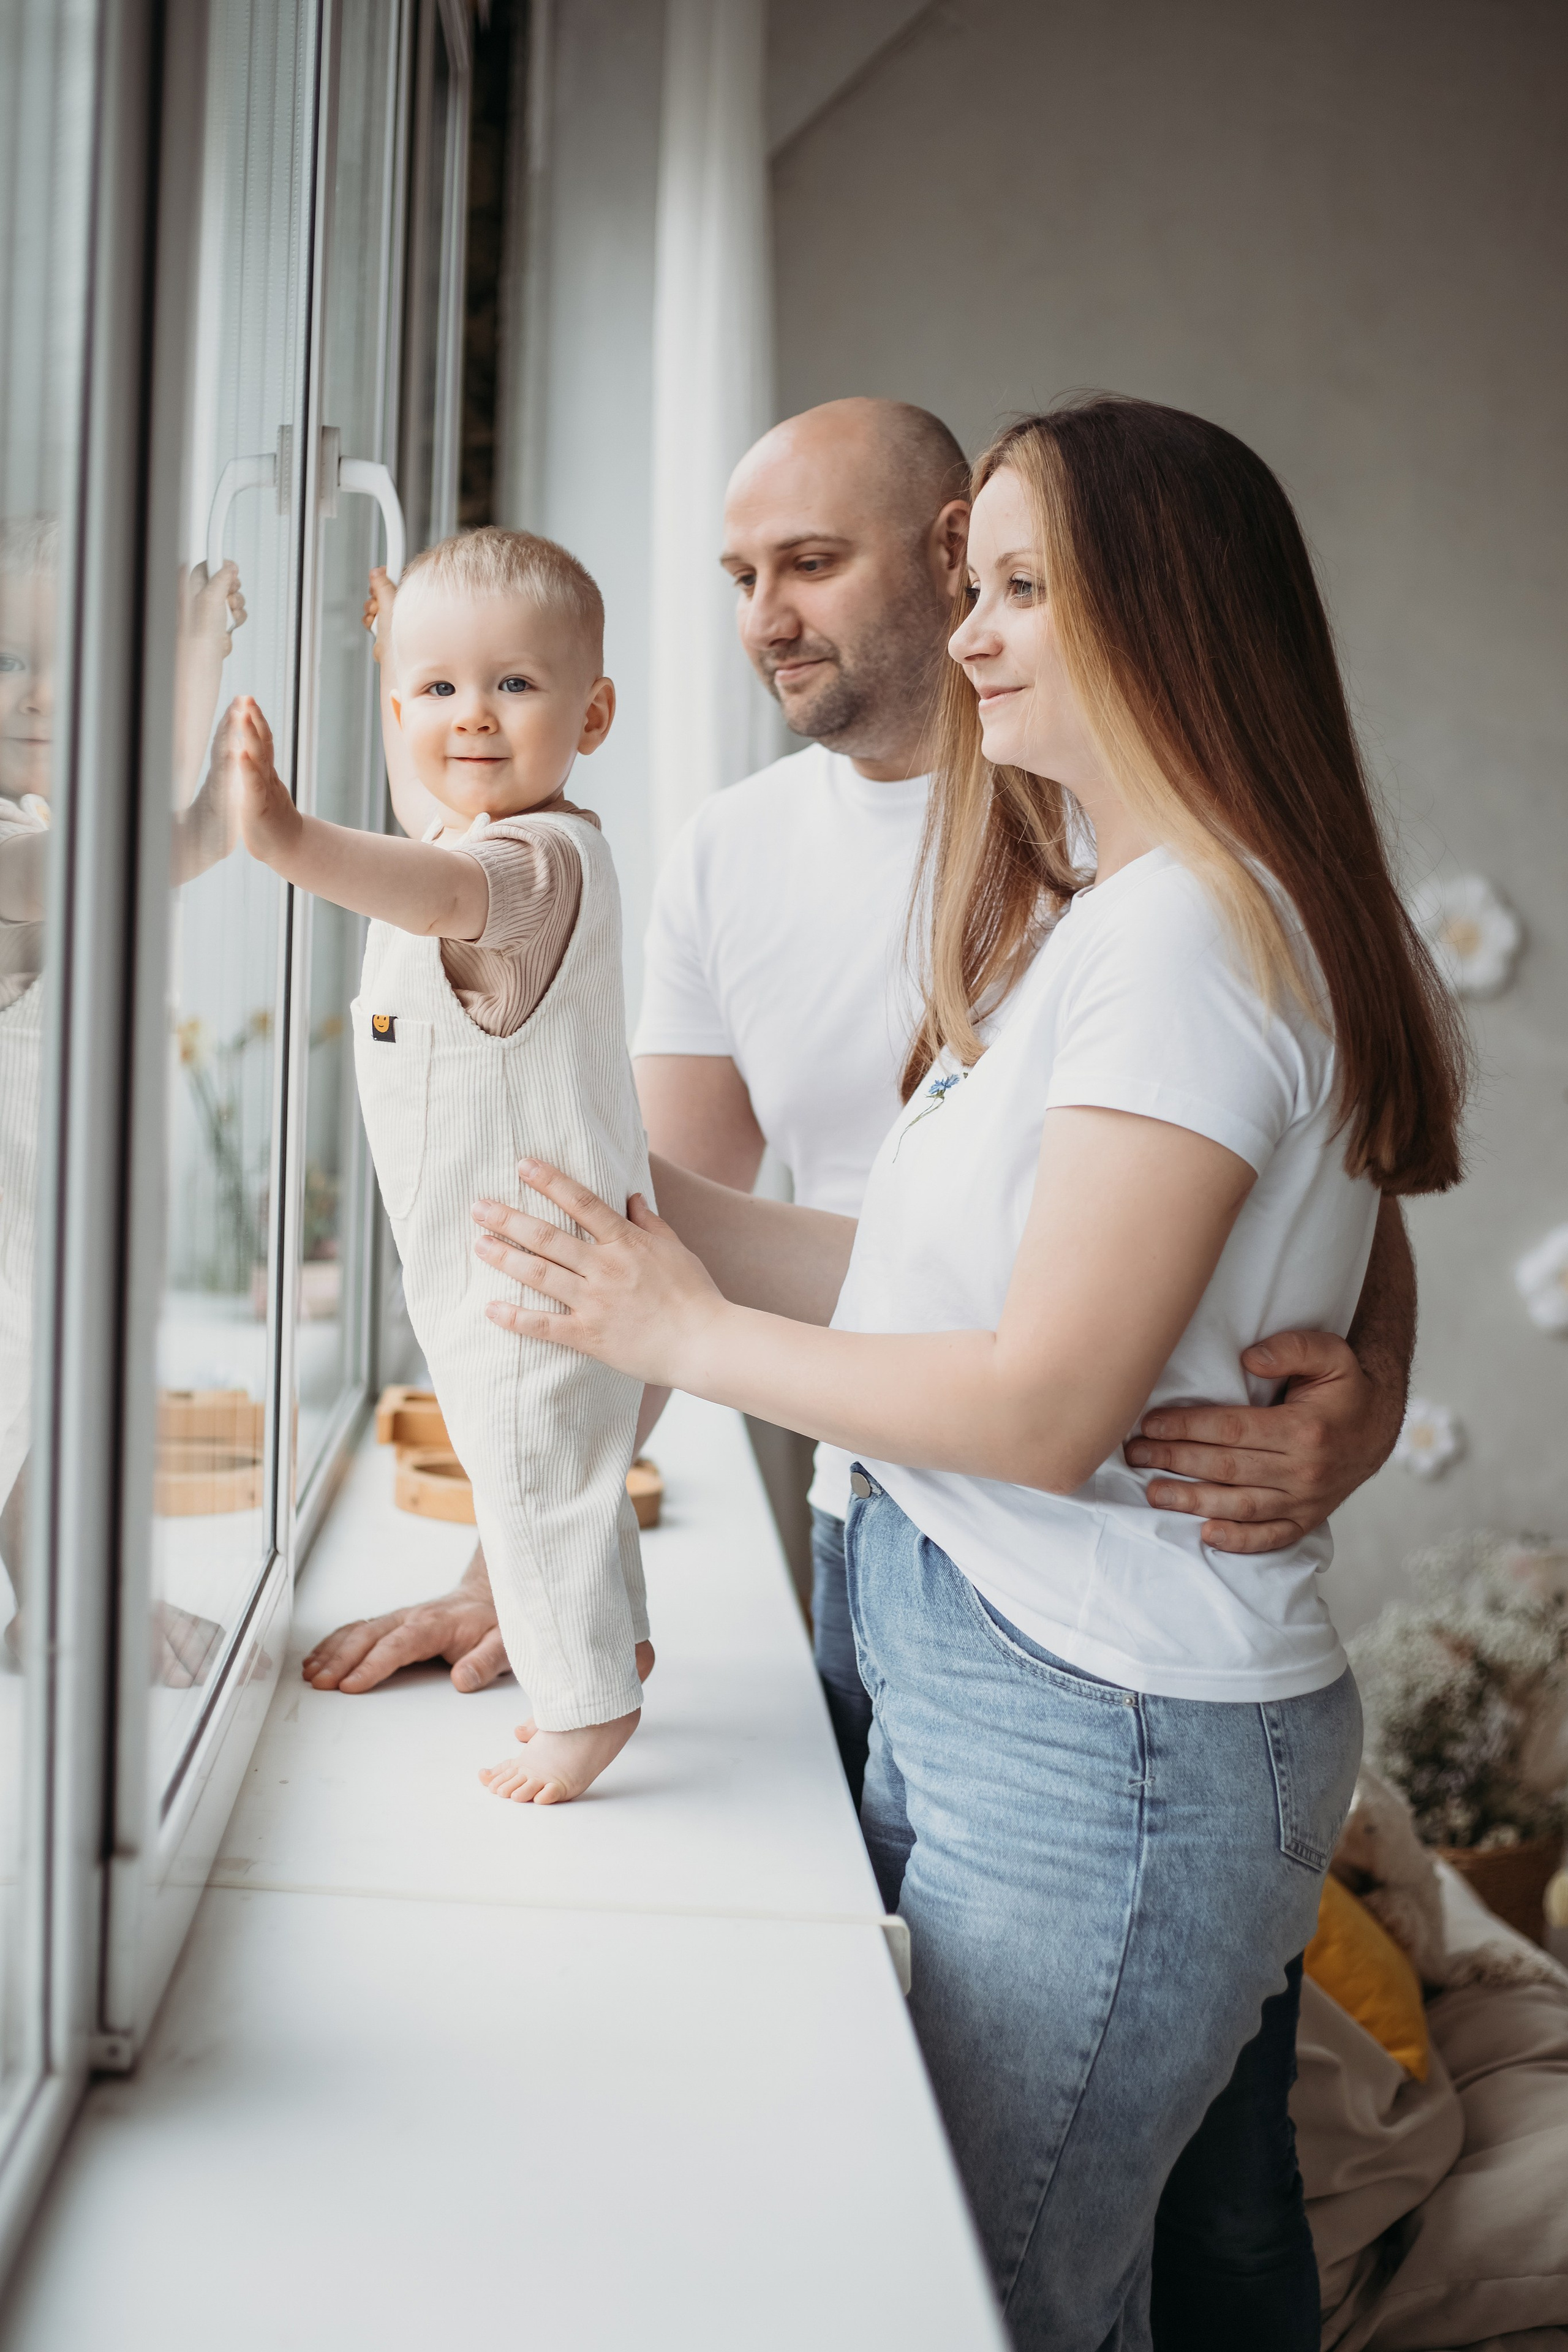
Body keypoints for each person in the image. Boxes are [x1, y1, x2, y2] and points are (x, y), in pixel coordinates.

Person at [467, 396, 1467, 2350]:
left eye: (1017, 590)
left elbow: (1039, 1404)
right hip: (1012, 1667)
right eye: (977, 584)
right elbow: (924, 1283)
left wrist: (677, 1331)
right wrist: (612, 1203)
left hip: (1104, 1729)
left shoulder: (1189, 938)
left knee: (982, 2299)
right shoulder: (1106, 917)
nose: (977, 625)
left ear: (1160, 622)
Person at [230, 526, 654, 1804]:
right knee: (553, 1461)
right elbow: (434, 805)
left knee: (533, 1469)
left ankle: (586, 1708)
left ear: (594, 711)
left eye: (514, 686)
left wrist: (285, 836)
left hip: (531, 1253)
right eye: (435, 689)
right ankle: (610, 1637)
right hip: (497, 1239)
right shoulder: (481, 818)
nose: (471, 717)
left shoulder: (529, 865)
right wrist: (387, 654)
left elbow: (430, 878)